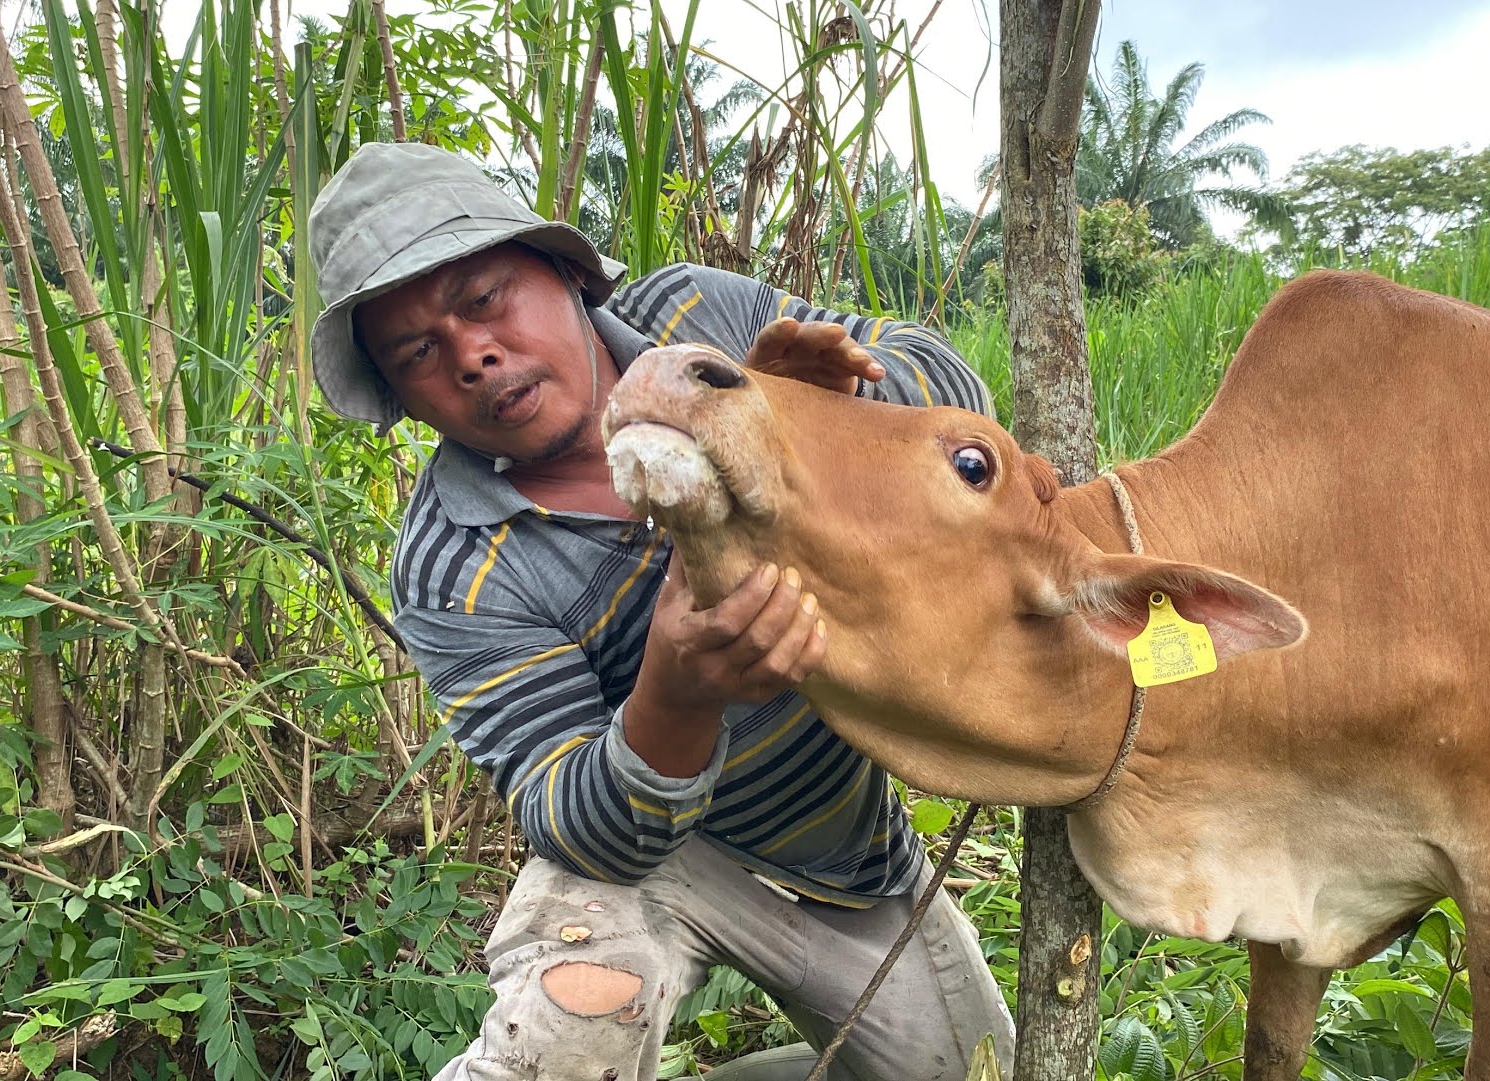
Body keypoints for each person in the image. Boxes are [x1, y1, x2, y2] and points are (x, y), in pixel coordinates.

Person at [307, 141, 1015, 1081]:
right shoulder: (454, 565)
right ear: (399, 395)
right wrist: (678, 694)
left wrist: (807, 419)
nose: (472, 355)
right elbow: (573, 818)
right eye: (416, 353)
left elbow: (952, 387)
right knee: (579, 1006)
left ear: (563, 271)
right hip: (660, 869)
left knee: (979, 1072)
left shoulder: (692, 315)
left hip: (850, 860)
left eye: (483, 301)